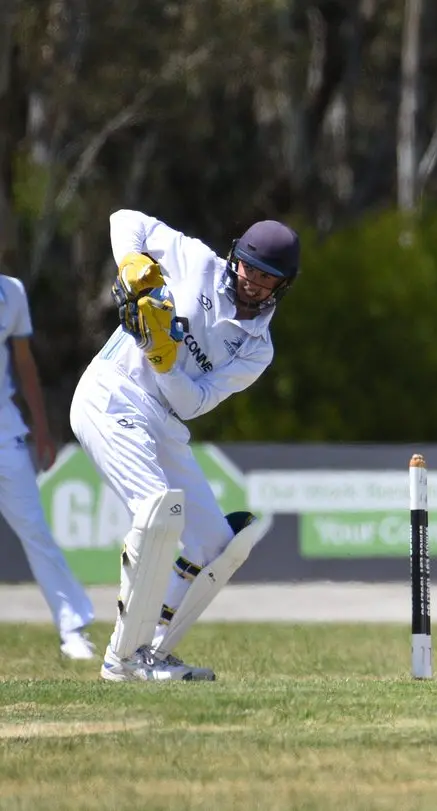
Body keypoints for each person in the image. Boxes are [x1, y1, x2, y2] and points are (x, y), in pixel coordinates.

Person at [70, 209, 300, 681]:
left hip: (168, 419)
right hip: (112, 393)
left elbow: (195, 403)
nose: (251, 282)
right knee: (158, 513)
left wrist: (163, 356)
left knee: (216, 542)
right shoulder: (197, 262)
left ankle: (149, 649)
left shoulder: (257, 348)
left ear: (283, 285)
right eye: (247, 267)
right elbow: (122, 218)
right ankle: (123, 658)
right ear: (234, 257)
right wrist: (132, 263)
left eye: (266, 278)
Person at [0, 275, 95, 660]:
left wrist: (41, 427)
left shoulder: (13, 292)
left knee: (36, 531)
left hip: (6, 433)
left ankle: (72, 628)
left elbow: (23, 361)